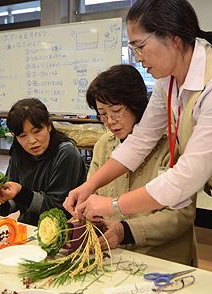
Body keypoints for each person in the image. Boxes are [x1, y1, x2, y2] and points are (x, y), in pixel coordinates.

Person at [64, 0, 212, 225]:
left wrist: (111, 205)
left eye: (139, 46)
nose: (137, 57)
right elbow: (141, 139)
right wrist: (89, 185)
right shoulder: (167, 81)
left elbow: (188, 175)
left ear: (173, 37)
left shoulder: (209, 84)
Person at [86, 64, 197, 265]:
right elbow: (94, 199)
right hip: (114, 258)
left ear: (137, 104)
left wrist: (125, 231)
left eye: (117, 111)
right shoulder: (103, 146)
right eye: (102, 114)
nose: (110, 121)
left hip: (163, 260)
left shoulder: (172, 146)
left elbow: (181, 215)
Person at [0, 98, 87, 226]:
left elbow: (58, 207)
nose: (32, 141)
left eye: (37, 132)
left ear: (49, 125)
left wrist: (21, 193)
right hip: (28, 229)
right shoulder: (18, 154)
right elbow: (15, 198)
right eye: (23, 136)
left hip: (61, 231)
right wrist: (2, 203)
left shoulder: (66, 153)